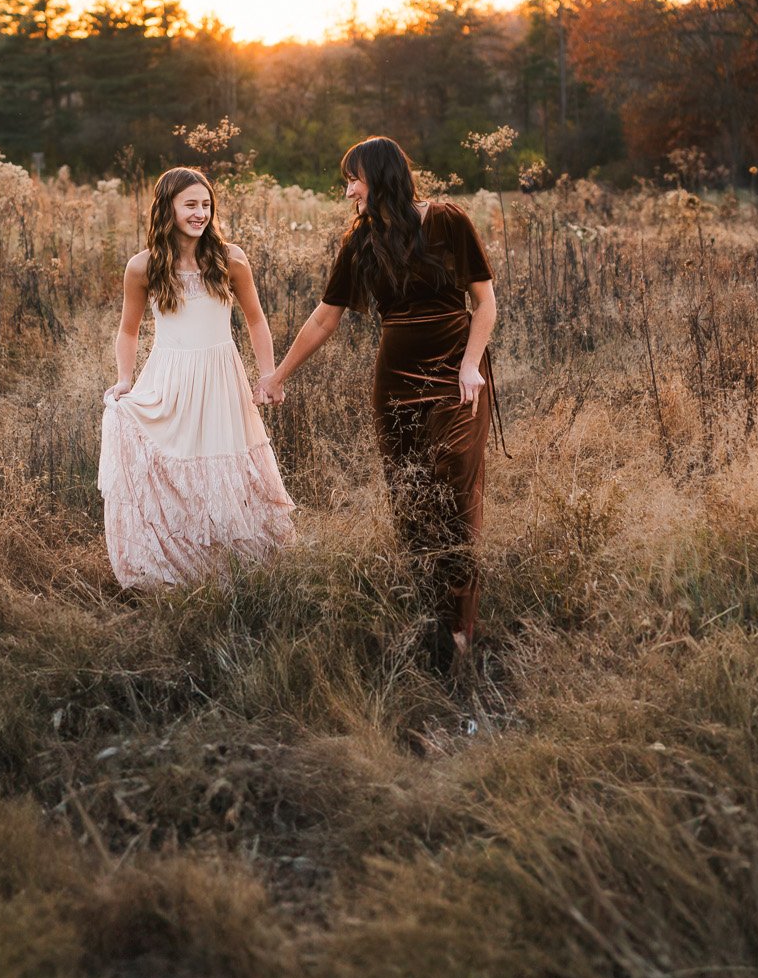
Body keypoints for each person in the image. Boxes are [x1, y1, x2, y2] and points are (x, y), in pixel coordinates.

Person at [258, 136, 498, 669]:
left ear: (381, 176)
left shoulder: (447, 221)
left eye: (354, 179)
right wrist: (277, 375)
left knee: (453, 484)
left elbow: (484, 301)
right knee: (411, 502)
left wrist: (470, 365)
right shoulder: (361, 243)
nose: (347, 192)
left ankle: (463, 631)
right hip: (395, 385)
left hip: (458, 379)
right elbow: (325, 318)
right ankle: (430, 620)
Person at [100, 167, 295, 586]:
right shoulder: (143, 267)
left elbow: (256, 320)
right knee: (178, 466)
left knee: (224, 461)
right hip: (169, 377)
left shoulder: (230, 258)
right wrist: (124, 379)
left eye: (206, 205)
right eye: (190, 204)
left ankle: (238, 569)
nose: (200, 213)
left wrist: (267, 375)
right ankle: (177, 566)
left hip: (221, 377)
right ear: (167, 207)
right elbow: (128, 330)